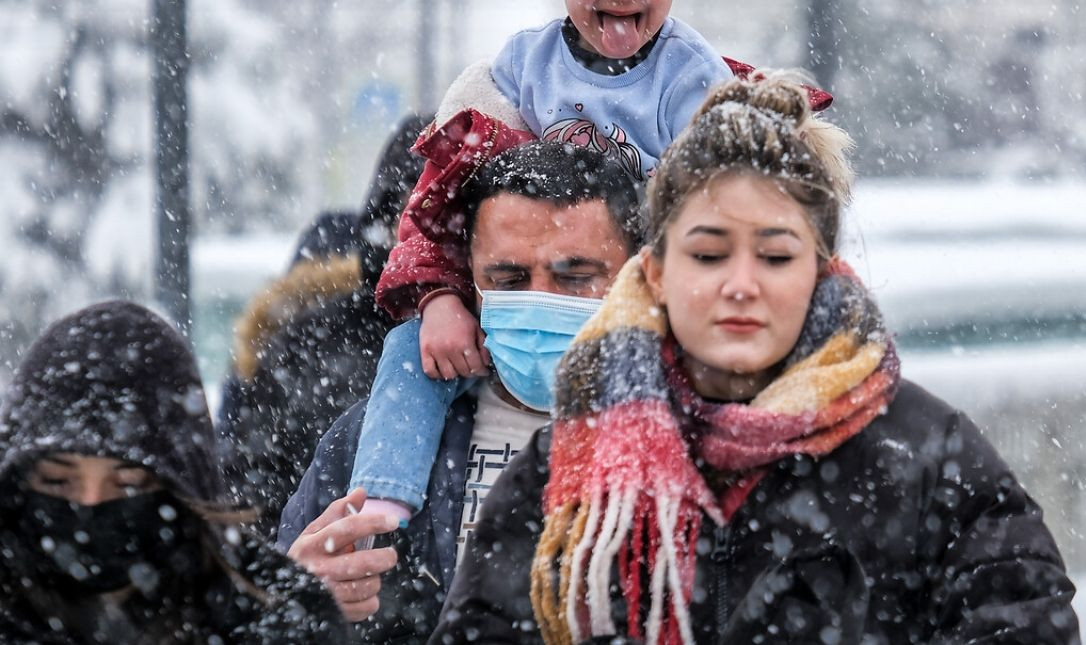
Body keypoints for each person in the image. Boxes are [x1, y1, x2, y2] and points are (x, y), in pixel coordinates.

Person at [431, 77, 1082, 644]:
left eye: (775, 256)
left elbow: (1024, 621)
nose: (741, 284)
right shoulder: (570, 463)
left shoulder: (929, 459)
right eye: (709, 254)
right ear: (654, 270)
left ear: (822, 271)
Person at [348, 0, 819, 529]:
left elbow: (728, 216)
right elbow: (440, 204)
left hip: (640, 304)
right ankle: (382, 499)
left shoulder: (694, 83)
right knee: (408, 351)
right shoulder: (517, 71)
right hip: (532, 293)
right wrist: (439, 299)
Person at [278, 141, 641, 641]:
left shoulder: (695, 440)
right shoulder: (375, 442)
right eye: (509, 279)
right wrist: (296, 601)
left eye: (576, 278)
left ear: (636, 276)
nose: (540, 302)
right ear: (469, 281)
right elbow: (276, 611)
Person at [0, 301, 347, 644]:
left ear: (185, 490)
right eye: (58, 481)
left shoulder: (278, 622)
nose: (91, 502)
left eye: (128, 483)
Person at [218, 114, 429, 534]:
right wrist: (301, 580)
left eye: (450, 218)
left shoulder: (515, 343)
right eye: (415, 216)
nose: (430, 242)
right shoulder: (307, 347)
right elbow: (245, 503)